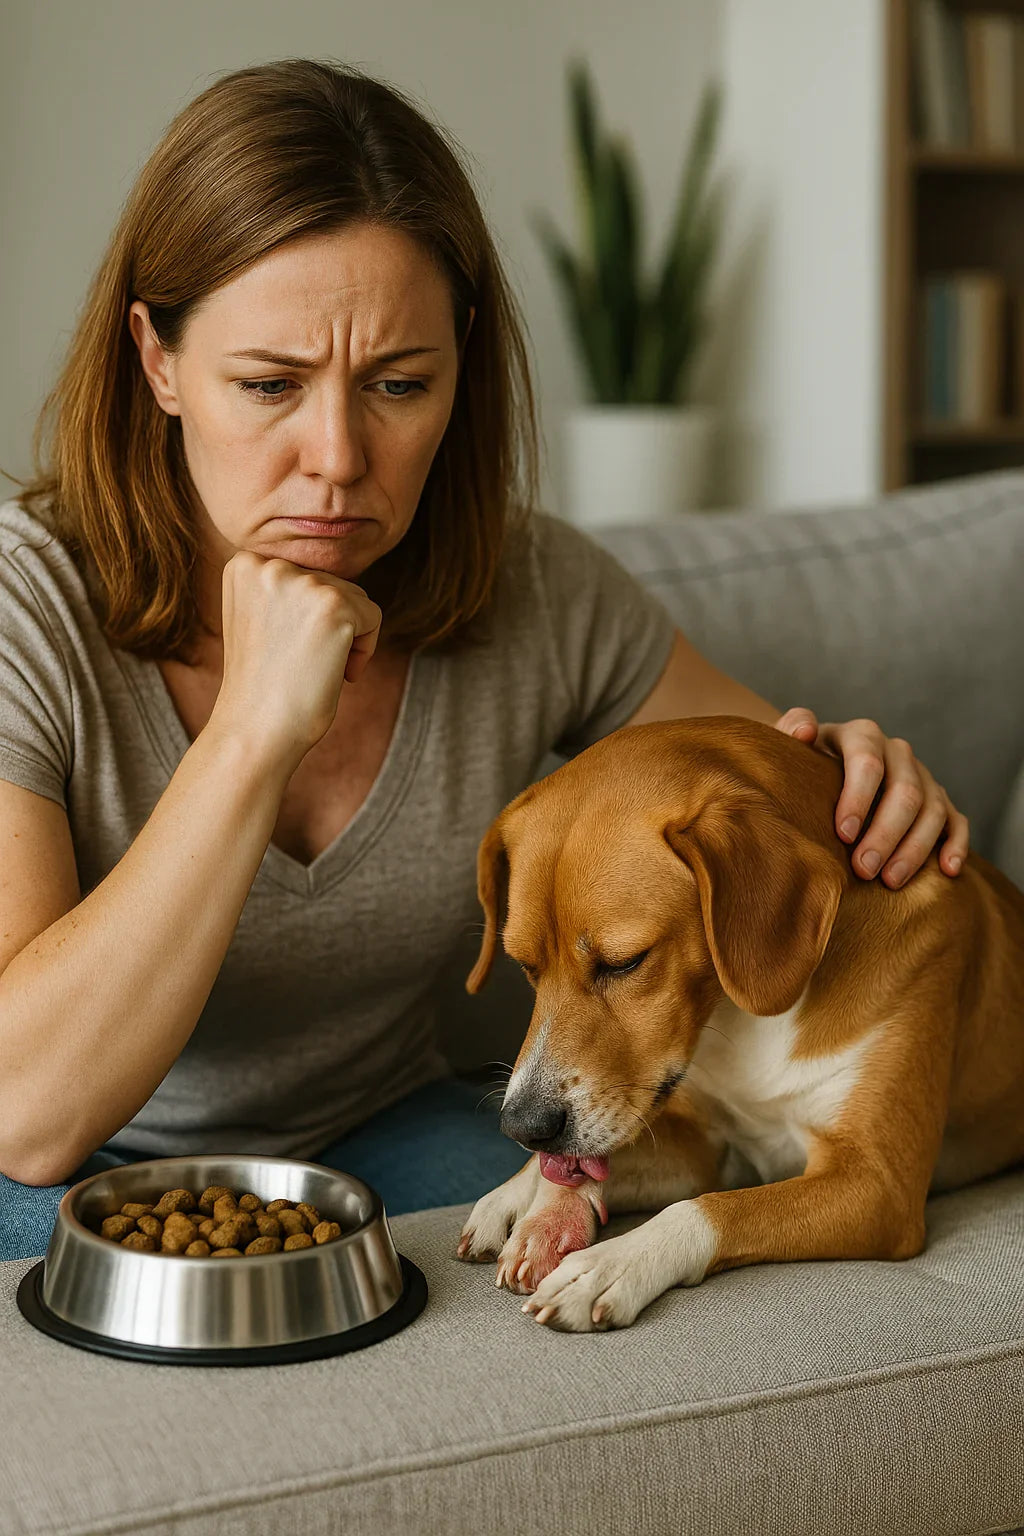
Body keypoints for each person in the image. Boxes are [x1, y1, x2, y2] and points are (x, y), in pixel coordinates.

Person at [0, 59, 968, 1263]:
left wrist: (860, 780)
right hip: (80, 1160)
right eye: (268, 385)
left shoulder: (537, 594)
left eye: (400, 384)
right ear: (157, 362)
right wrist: (252, 732)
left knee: (558, 1264)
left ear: (461, 365)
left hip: (390, 1127)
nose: (340, 457)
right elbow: (23, 1113)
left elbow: (763, 800)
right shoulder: (22, 607)